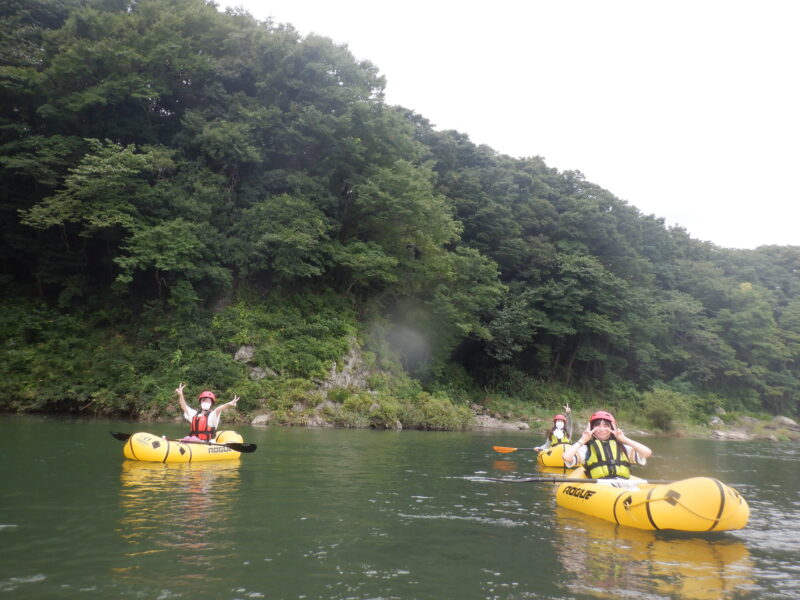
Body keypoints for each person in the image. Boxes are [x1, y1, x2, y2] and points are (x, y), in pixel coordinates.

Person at [561, 410, 652, 479]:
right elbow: (566, 457)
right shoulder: (586, 449)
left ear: (612, 428)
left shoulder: (622, 447)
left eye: (606, 425)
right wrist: (583, 439)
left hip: (623, 485)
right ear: (591, 428)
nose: (601, 429)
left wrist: (624, 439)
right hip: (601, 488)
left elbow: (647, 453)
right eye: (597, 425)